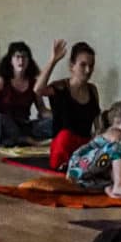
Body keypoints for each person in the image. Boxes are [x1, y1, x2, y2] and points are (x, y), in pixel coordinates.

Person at [0, 40, 54, 148]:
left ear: (29, 60)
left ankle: (21, 139)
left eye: (24, 57)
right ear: (11, 60)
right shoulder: (1, 81)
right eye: (17, 57)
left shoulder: (34, 84)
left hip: (25, 125)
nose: (21, 60)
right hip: (5, 125)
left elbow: (42, 109)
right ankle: (26, 140)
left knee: (54, 124)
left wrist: (58, 117)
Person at [65, 100, 121, 199]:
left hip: (81, 178)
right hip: (79, 165)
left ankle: (111, 187)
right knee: (120, 148)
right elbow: (117, 152)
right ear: (116, 119)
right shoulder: (116, 134)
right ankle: (119, 185)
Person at [43, 39, 101, 170]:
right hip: (64, 145)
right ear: (72, 66)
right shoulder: (60, 87)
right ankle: (68, 164)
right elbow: (38, 89)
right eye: (83, 65)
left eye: (91, 66)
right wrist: (53, 61)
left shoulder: (92, 90)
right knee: (65, 136)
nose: (88, 70)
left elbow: (97, 123)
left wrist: (101, 138)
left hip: (84, 146)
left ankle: (84, 164)